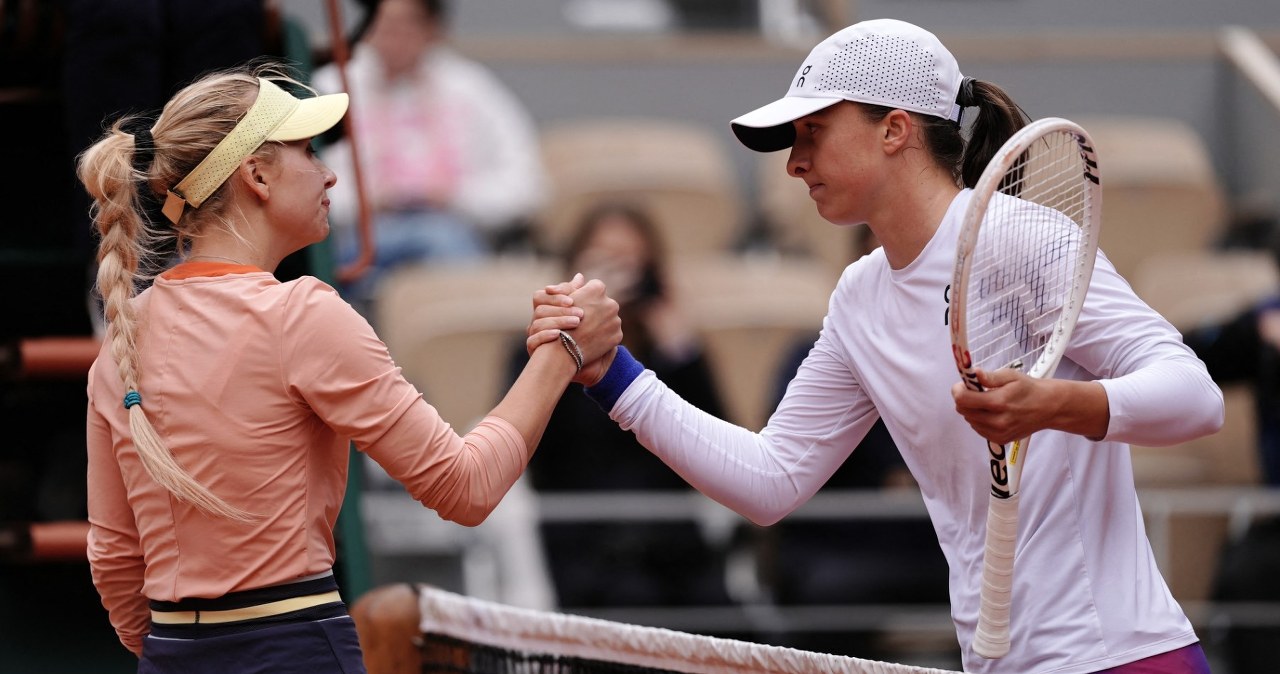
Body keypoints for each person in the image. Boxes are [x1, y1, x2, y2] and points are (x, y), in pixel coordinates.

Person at [528, 19, 1223, 674]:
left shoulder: (1020, 239)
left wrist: (1055, 404)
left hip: (1121, 657)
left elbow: (1195, 397)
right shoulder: (860, 295)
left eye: (814, 133)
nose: (796, 163)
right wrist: (610, 374)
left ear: (895, 130)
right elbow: (772, 480)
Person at [79, 63, 619, 672]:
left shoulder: (122, 341)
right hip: (296, 648)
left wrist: (175, 649)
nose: (330, 172)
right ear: (256, 175)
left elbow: (117, 562)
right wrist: (562, 350)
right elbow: (466, 488)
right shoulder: (303, 313)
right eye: (308, 151)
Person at [510, 202, 731, 608]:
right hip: (585, 541)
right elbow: (531, 443)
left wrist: (682, 354)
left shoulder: (674, 350)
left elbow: (719, 437)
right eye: (606, 262)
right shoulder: (537, 345)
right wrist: (569, 341)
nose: (620, 278)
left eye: (633, 263)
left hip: (674, 545)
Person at [313, 0, 547, 306]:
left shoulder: (473, 89)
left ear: (434, 30)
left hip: (454, 232)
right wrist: (373, 199)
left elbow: (527, 186)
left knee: (443, 244)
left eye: (406, 25)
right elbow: (301, 180)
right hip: (358, 234)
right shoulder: (333, 85)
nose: (392, 37)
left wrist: (452, 196)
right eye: (382, 25)